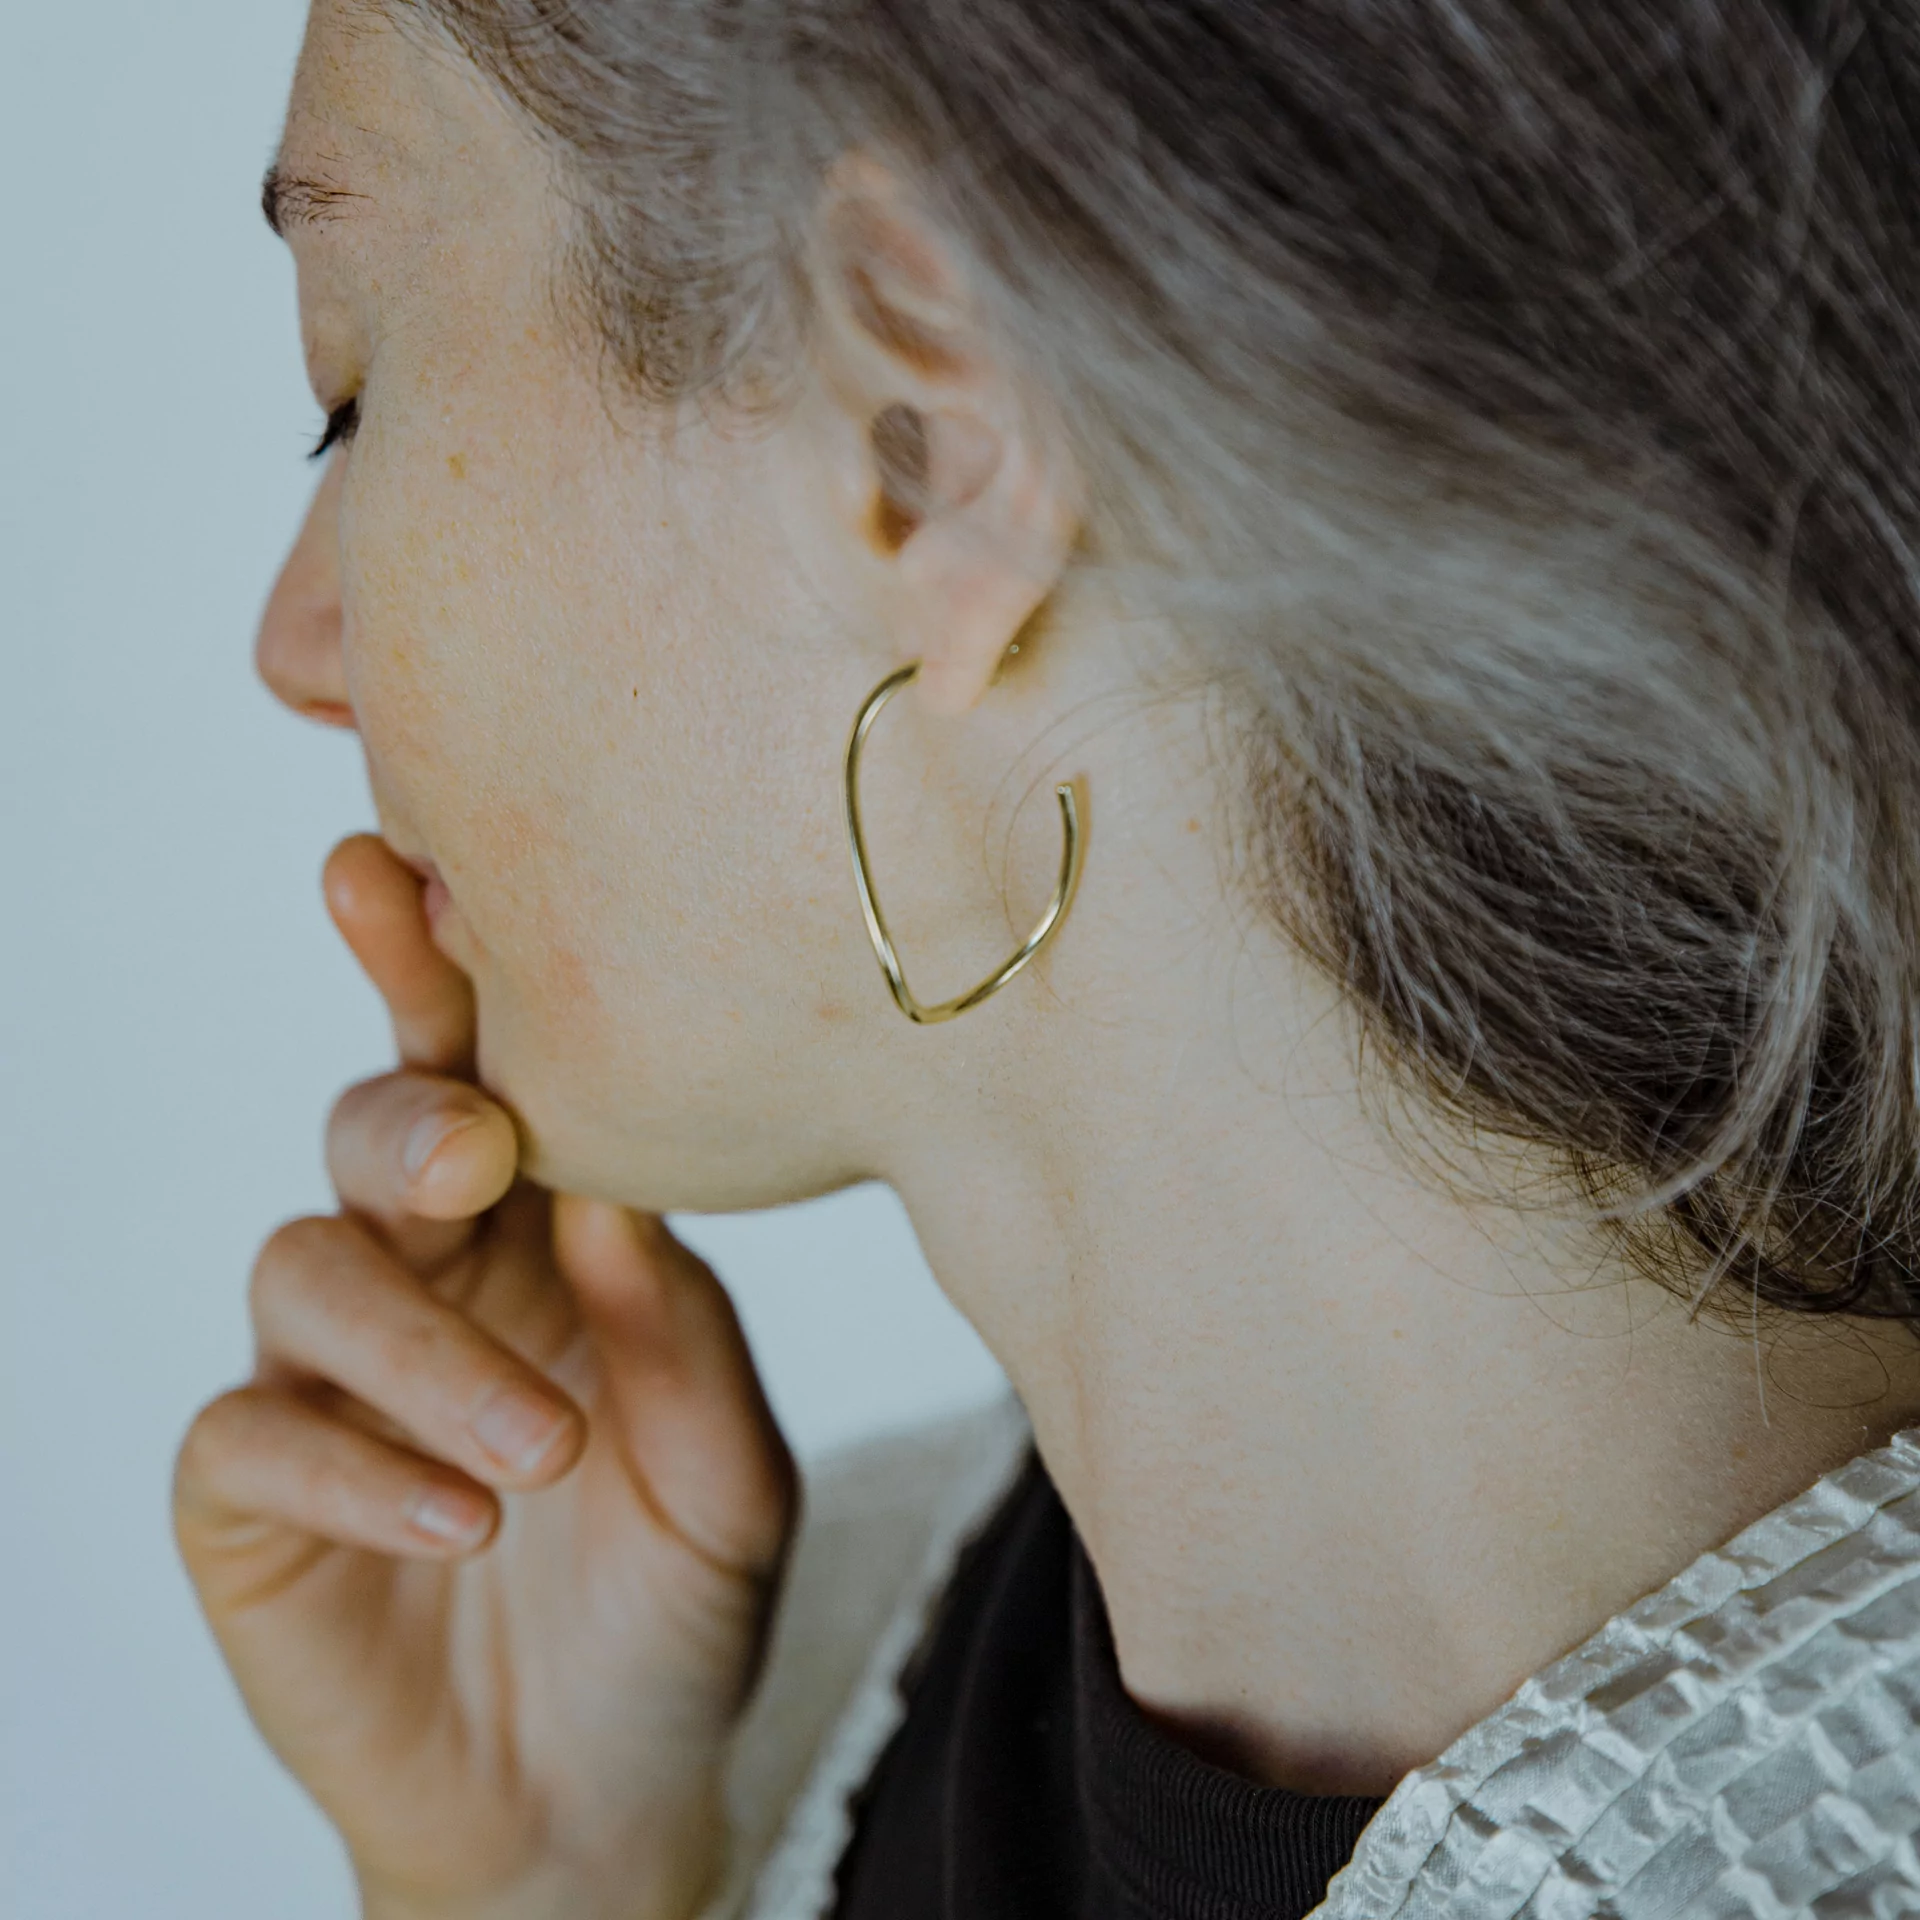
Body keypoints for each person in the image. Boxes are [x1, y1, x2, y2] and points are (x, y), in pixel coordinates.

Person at [171, 2, 1920, 1915]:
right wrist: (545, 1887)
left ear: (927, 439)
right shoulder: (783, 1694)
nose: (292, 644)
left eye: (351, 394)